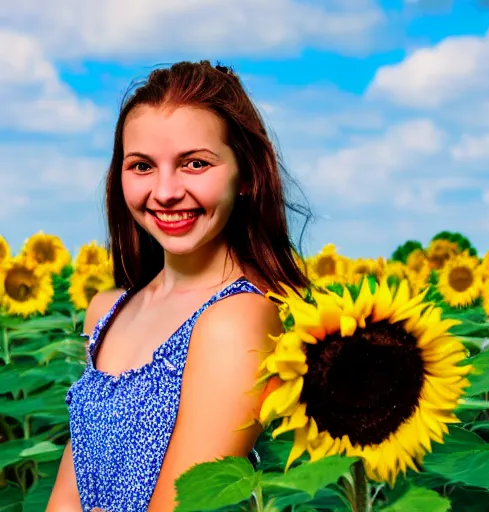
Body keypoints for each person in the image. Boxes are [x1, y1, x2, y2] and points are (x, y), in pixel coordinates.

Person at [46, 60, 311, 512]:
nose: (166, 191)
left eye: (194, 163)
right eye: (142, 166)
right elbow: (71, 494)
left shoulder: (238, 318)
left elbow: (183, 502)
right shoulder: (107, 311)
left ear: (245, 174)